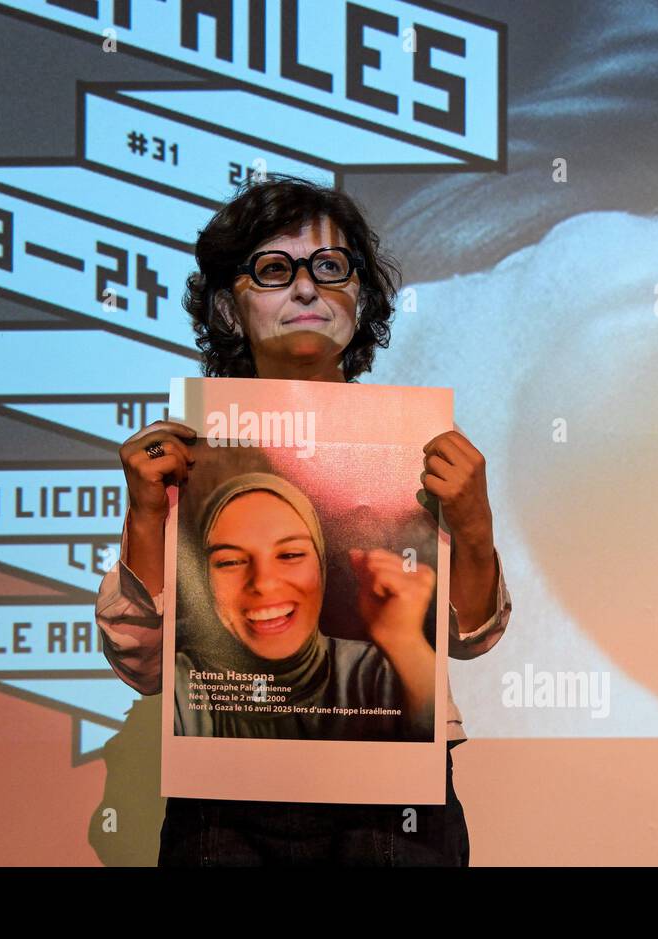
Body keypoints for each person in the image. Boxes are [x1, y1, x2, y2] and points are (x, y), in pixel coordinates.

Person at [95, 174, 513, 866]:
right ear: (230, 309)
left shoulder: (415, 446)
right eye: (272, 269)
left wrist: (472, 528)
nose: (306, 288)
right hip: (226, 804)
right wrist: (145, 519)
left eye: (329, 267)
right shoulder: (186, 456)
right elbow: (142, 669)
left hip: (394, 803)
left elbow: (471, 637)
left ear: (361, 299)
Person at [174, 470, 436, 742]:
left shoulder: (383, 671)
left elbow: (430, 761)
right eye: (230, 562)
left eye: (290, 555)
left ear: (321, 565)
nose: (263, 583)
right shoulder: (181, 681)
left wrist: (405, 644)